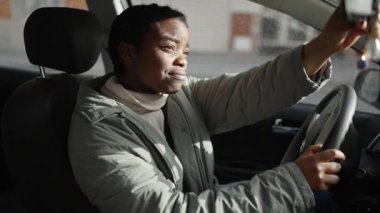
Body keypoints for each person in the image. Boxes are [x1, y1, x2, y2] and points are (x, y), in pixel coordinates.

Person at [68, 3, 367, 213]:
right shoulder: (99, 133)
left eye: (185, 51)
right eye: (169, 48)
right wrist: (294, 183)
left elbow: (253, 91)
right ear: (129, 52)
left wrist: (326, 44)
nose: (183, 61)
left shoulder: (180, 95)